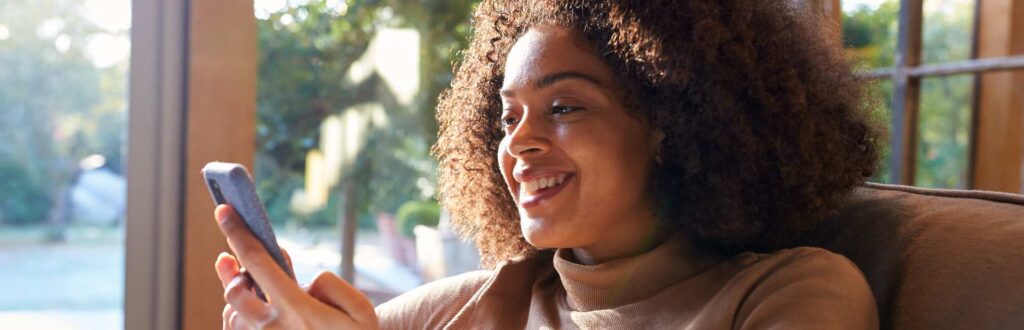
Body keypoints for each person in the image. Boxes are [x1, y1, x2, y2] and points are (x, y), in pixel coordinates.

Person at [212, 0, 884, 328]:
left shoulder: (793, 293)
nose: (519, 143)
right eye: (508, 117)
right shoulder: (487, 301)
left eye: (565, 107)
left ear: (670, 123)